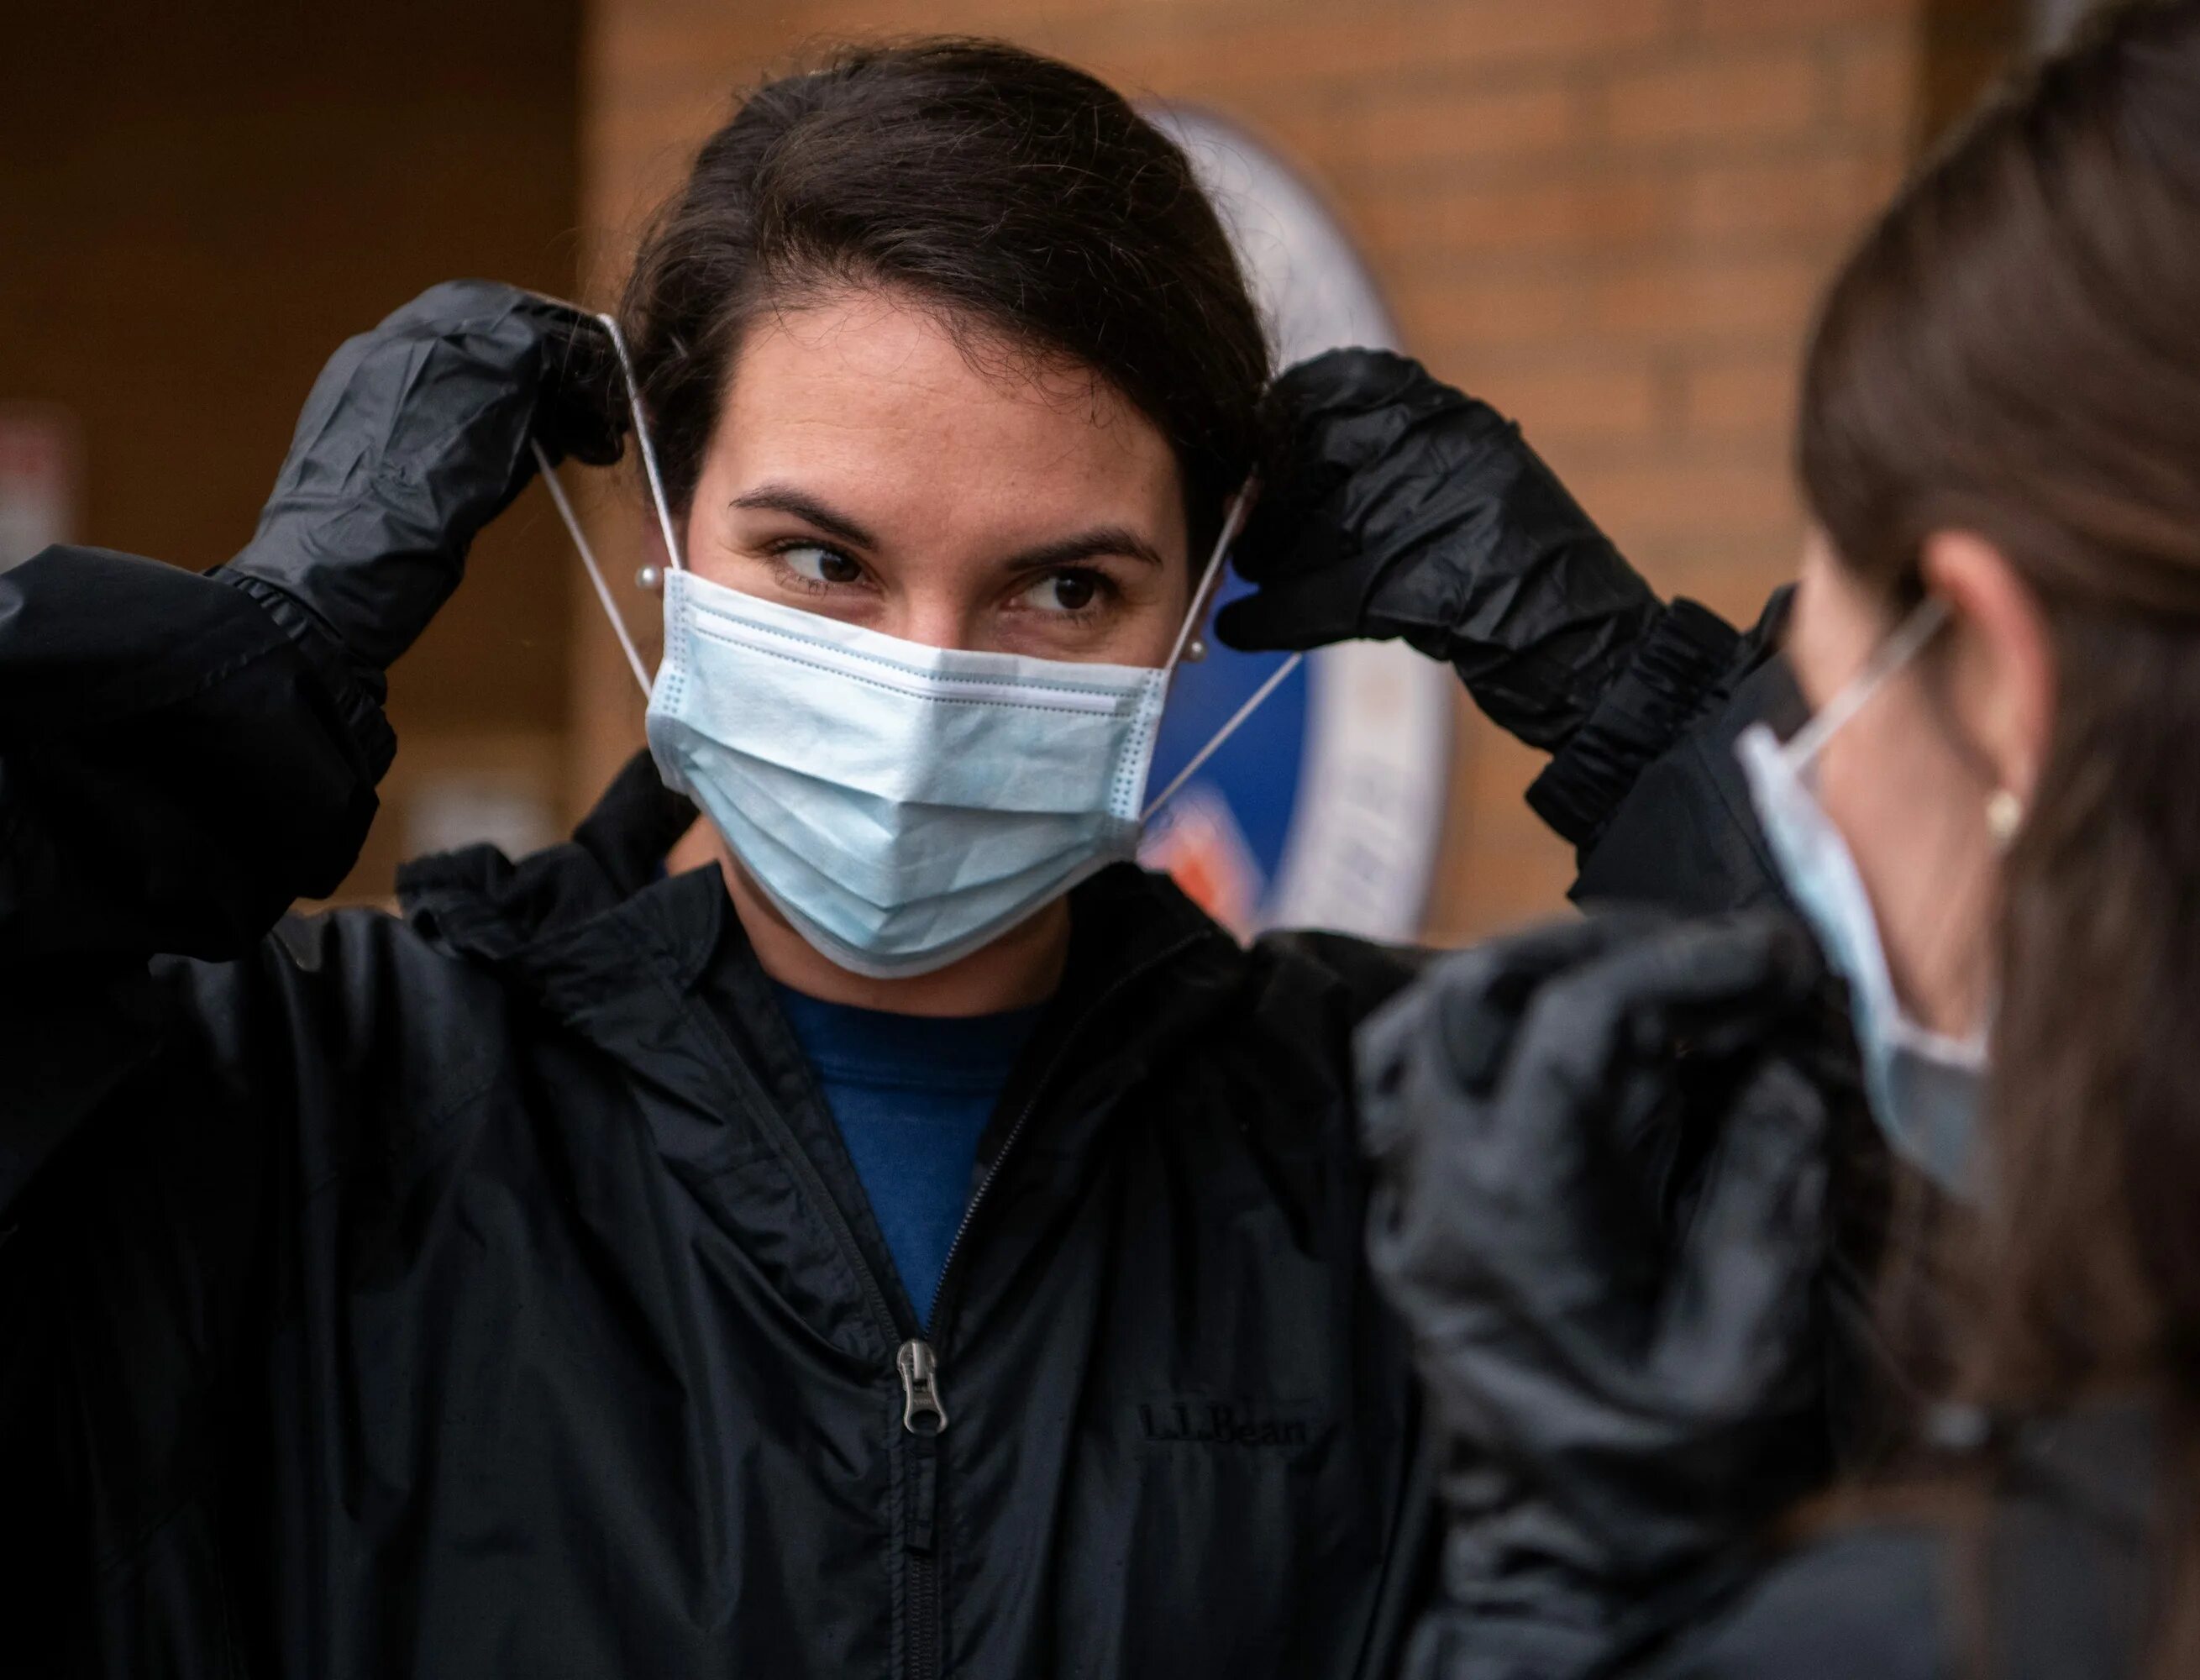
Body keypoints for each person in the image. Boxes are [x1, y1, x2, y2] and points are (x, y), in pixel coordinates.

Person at [0, 38, 1762, 1679]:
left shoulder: (1425, 1149)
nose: (927, 680)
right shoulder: (303, 1112)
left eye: (1064, 586)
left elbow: (1958, 1267)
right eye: (826, 563)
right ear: (666, 533)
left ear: (1195, 612)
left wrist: (1644, 713)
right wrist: (225, 693)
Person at [1362, 0, 2200, 1675]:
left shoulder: (2021, 1607)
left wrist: (1569, 1621)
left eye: (1813, 706)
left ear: (2011, 684)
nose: (1802, 797)